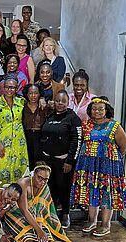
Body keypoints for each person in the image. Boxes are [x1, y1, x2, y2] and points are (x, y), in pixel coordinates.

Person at [71, 96, 126, 236]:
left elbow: (124, 146)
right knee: (92, 191)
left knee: (107, 193)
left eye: (100, 109)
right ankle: (92, 221)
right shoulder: (86, 124)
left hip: (107, 167)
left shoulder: (114, 125)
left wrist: (112, 160)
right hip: (89, 166)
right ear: (90, 110)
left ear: (106, 110)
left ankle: (105, 224)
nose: (97, 111)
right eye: (94, 109)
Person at [2, 162, 71, 242]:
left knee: (47, 238)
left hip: (33, 214)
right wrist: (39, 230)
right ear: (33, 174)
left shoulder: (45, 187)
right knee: (29, 239)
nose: (42, 182)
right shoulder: (23, 183)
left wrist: (40, 227)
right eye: (39, 178)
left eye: (46, 179)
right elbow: (24, 210)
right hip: (16, 212)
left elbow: (41, 210)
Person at [41, 90, 82, 228]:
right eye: (58, 101)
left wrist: (70, 160)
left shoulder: (72, 117)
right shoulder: (50, 116)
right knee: (50, 188)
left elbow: (77, 140)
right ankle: (49, 214)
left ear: (67, 102)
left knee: (64, 188)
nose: (60, 103)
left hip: (64, 162)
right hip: (48, 160)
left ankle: (65, 214)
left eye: (63, 101)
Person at [0, 75, 29, 183]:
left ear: (16, 88)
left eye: (12, 87)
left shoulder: (21, 102)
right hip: (1, 143)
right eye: (7, 87)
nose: (9, 90)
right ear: (3, 87)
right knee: (1, 171)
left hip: (18, 143)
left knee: (19, 172)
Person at [22, 84, 51, 170]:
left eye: (36, 93)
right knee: (28, 162)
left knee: (40, 163)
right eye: (30, 93)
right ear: (27, 94)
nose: (33, 96)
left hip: (40, 138)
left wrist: (43, 100)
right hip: (27, 137)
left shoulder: (45, 106)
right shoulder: (22, 106)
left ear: (39, 94)